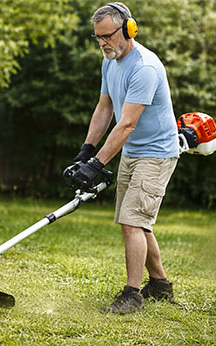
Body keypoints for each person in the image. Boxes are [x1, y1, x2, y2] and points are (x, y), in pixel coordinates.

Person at [67, 2, 179, 314]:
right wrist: (86, 151)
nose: (102, 43)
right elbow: (105, 108)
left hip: (156, 153)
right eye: (98, 37)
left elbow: (127, 123)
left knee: (132, 221)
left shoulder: (144, 67)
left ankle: (132, 295)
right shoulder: (110, 61)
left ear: (129, 29)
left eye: (108, 35)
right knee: (136, 221)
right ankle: (160, 285)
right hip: (132, 151)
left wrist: (96, 165)